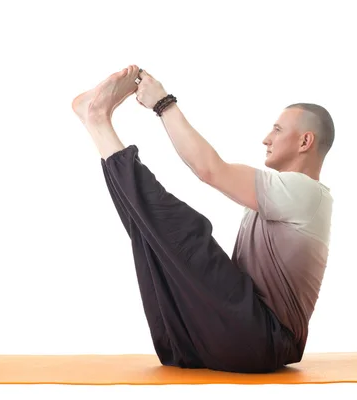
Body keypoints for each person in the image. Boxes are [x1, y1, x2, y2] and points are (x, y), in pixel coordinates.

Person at [71, 65, 334, 373]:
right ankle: (97, 125)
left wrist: (163, 103)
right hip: (223, 341)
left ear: (305, 142)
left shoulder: (306, 193)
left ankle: (98, 120)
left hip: (263, 341)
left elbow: (209, 169)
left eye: (277, 130)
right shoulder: (286, 198)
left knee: (186, 234)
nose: (266, 138)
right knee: (152, 239)